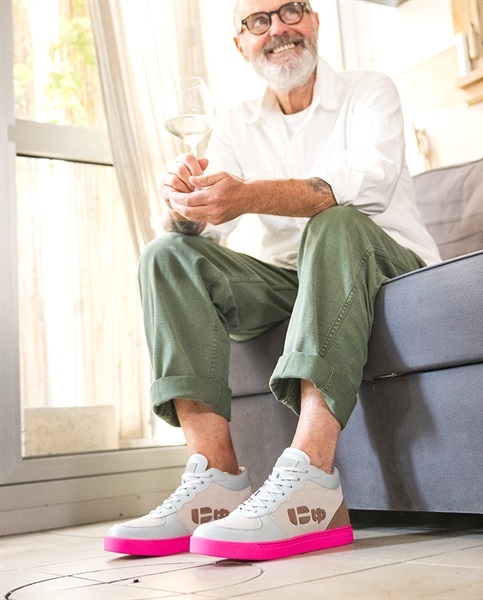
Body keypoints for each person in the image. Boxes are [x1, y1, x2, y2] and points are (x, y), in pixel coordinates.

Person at [104, 0, 440, 561]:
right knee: (167, 254)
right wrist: (183, 203)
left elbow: (365, 187)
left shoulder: (369, 90)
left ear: (314, 20)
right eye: (259, 21)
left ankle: (311, 478)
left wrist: (246, 195)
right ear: (241, 44)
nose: (278, 29)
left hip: (382, 263)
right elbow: (204, 229)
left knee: (334, 222)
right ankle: (214, 482)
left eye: (291, 11)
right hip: (291, 279)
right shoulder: (237, 123)